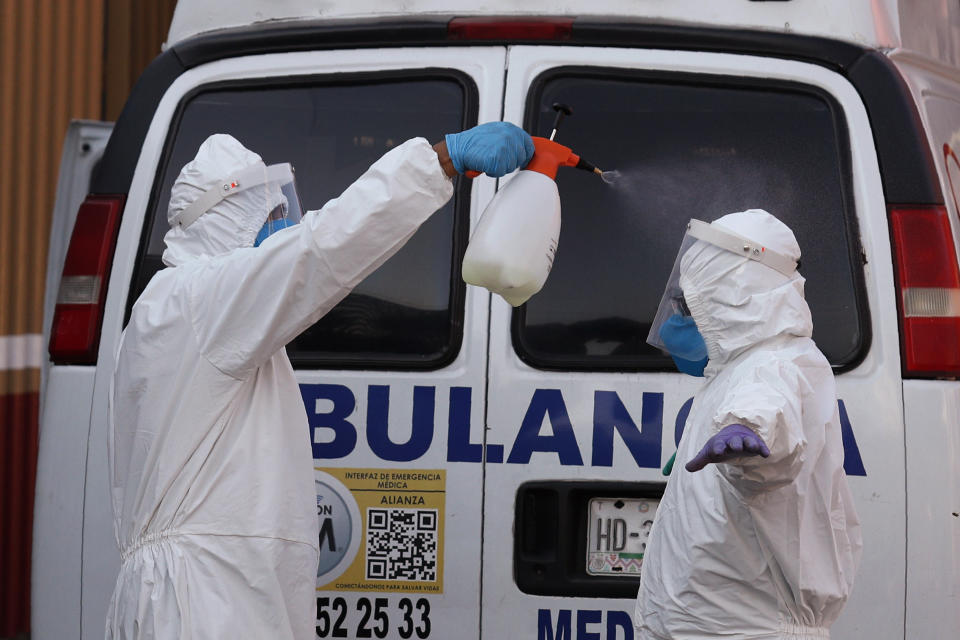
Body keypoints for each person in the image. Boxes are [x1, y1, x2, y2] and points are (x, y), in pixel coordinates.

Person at [105, 123, 534, 639]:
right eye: (271, 215)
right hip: (201, 605)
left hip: (213, 594)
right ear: (224, 220)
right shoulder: (195, 302)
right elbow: (323, 249)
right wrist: (440, 160)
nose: (283, 226)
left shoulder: (198, 314)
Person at [635, 209, 862, 640]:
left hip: (744, 628)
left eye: (689, 305)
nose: (676, 320)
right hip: (712, 622)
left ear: (733, 301)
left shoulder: (776, 364)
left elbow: (767, 418)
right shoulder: (736, 368)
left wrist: (747, 436)